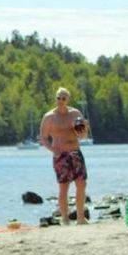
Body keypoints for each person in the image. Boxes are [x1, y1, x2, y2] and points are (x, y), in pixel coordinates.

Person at [39, 87, 89, 225]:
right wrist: (53, 150)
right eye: (58, 98)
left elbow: (82, 136)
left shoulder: (75, 114)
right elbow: (43, 138)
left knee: (81, 184)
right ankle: (65, 218)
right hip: (60, 155)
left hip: (75, 152)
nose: (60, 100)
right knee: (64, 186)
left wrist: (85, 128)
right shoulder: (49, 117)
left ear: (68, 99)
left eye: (63, 98)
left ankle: (80, 217)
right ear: (55, 99)